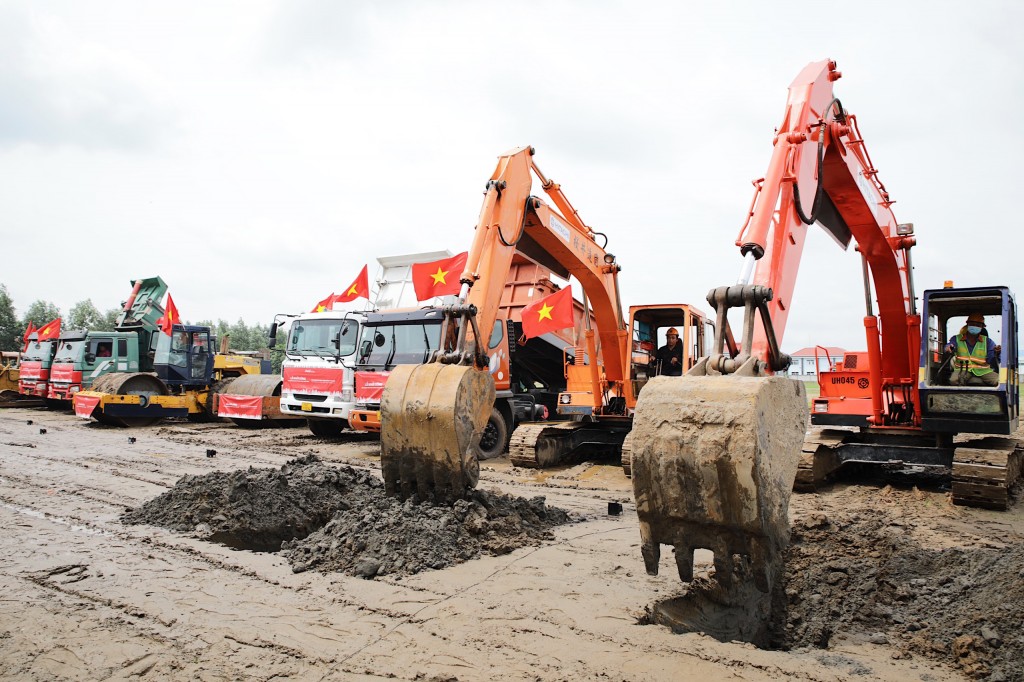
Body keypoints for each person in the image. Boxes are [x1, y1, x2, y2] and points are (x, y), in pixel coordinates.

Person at [945, 313, 1001, 387]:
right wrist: (948, 348)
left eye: (978, 325)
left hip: (983, 371)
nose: (975, 326)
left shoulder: (988, 342)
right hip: (962, 369)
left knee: (1000, 381)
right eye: (972, 324)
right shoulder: (956, 339)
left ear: (982, 327)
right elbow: (949, 346)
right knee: (954, 380)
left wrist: (997, 352)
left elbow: (991, 359)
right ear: (967, 325)